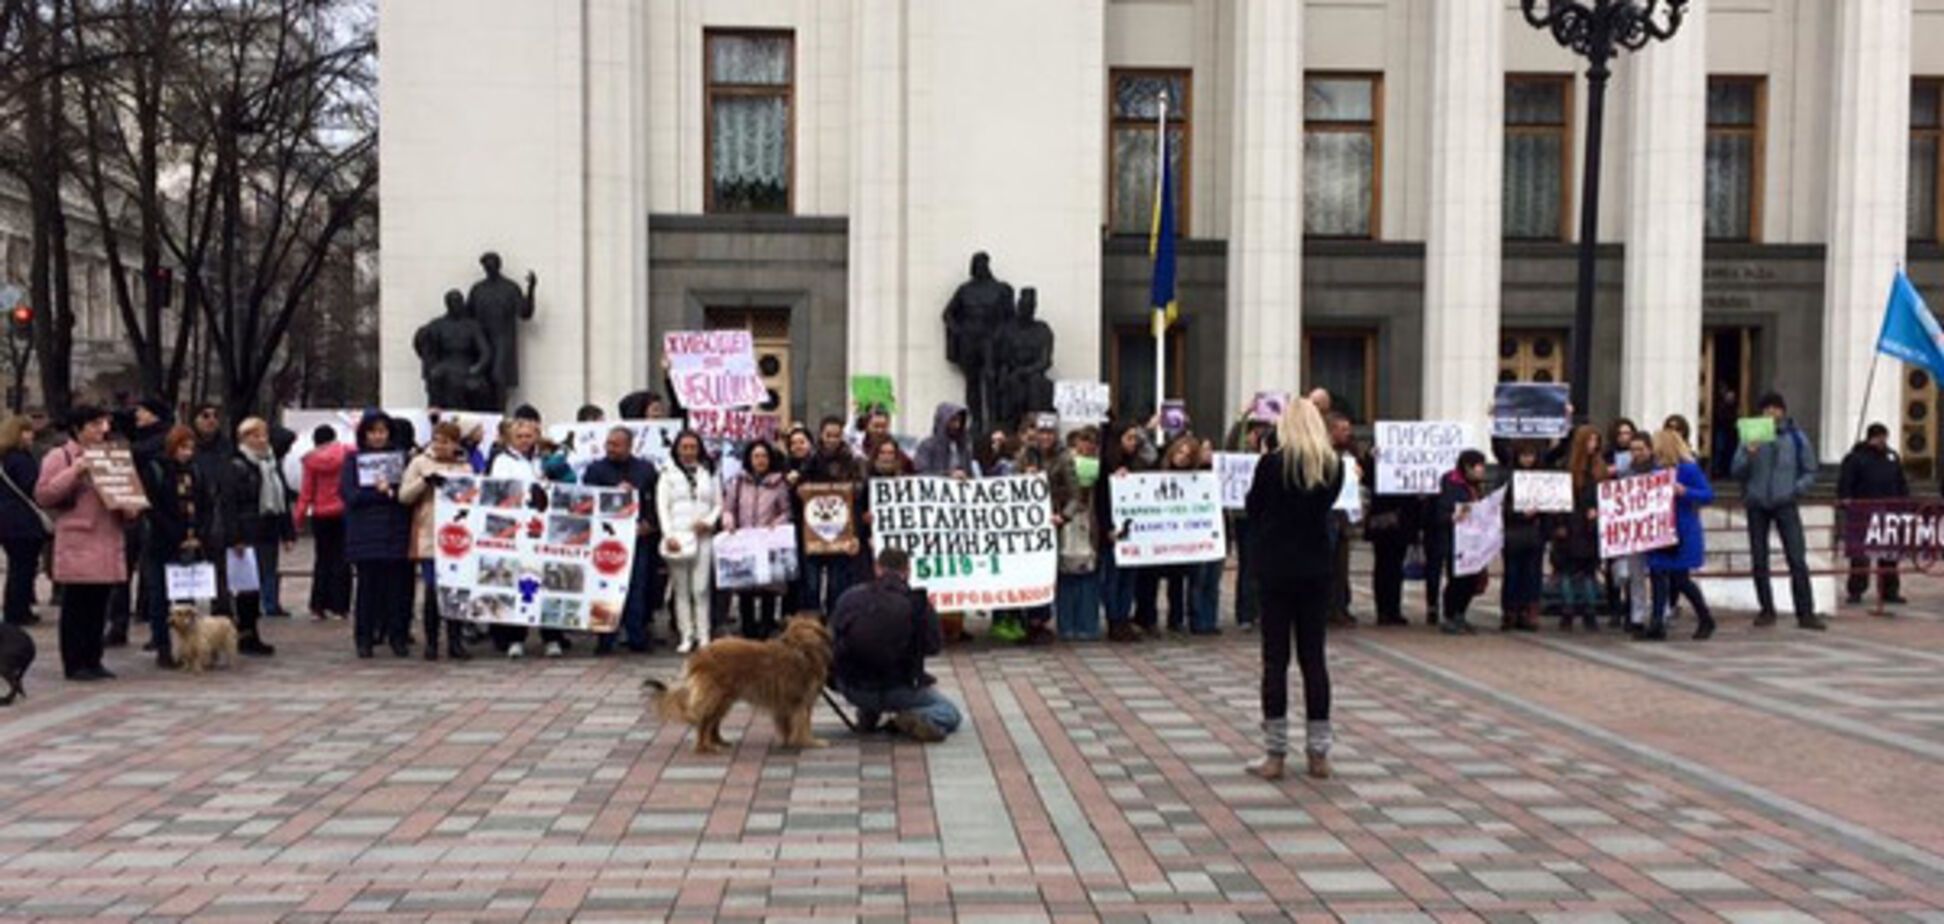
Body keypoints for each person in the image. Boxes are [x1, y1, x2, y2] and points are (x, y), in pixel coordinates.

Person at [1243, 397, 1344, 781]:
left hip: (1276, 568)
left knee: (1275, 660)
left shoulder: (1272, 464)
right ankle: (1319, 753)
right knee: (1313, 660)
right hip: (1316, 567)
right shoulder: (1332, 466)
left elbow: (1254, 508)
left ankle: (1276, 753)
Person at [36, 406, 141, 681]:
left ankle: (94, 659)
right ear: (78, 428)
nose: (102, 430)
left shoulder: (112, 456)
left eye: (104, 424)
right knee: (76, 605)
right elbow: (44, 494)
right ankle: (75, 662)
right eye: (95, 425)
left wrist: (130, 505)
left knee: (99, 604)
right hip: (79, 539)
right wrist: (75, 470)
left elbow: (128, 493)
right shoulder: (60, 456)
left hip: (108, 538)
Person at [830, 547, 961, 742]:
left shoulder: (850, 597)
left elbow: (833, 638)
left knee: (867, 655)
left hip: (852, 687)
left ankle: (869, 712)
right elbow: (933, 646)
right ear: (907, 571)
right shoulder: (918, 603)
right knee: (949, 713)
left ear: (877, 568)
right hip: (898, 690)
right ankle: (912, 718)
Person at [1731, 392, 1825, 630]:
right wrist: (1749, 454)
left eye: (1775, 408)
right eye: (1766, 409)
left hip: (1785, 502)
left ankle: (1805, 612)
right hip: (1757, 503)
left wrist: (1796, 489)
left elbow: (1810, 469)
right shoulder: (1751, 436)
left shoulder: (1795, 437)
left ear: (1783, 411)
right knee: (1759, 560)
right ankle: (1766, 609)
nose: (1771, 413)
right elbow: (1736, 470)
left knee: (1797, 558)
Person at [487, 417, 570, 657]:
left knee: (550, 580)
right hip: (517, 528)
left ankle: (552, 637)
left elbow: (566, 483)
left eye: (528, 436)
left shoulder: (544, 460)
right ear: (510, 439)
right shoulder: (502, 461)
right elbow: (501, 490)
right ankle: (515, 637)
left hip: (545, 527)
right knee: (519, 581)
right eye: (519, 437)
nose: (524, 441)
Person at [583, 425, 663, 653]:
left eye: (616, 445)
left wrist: (650, 523)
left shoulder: (645, 469)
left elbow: (656, 500)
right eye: (608, 444)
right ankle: (605, 638)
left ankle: (637, 636)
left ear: (629, 446)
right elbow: (586, 501)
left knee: (637, 587)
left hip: (637, 538)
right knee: (604, 588)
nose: (611, 449)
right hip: (606, 540)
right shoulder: (595, 470)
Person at [400, 421, 475, 661]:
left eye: (446, 441)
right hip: (430, 534)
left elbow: (474, 497)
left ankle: (455, 640)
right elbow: (404, 496)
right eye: (437, 440)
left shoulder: (464, 466)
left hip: (458, 537)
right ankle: (432, 642)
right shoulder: (420, 463)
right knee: (432, 590)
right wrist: (425, 482)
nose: (440, 446)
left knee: (456, 590)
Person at [343, 411, 416, 659]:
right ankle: (364, 638)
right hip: (365, 534)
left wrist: (392, 494)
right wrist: (381, 494)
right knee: (367, 590)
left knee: (398, 590)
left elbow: (407, 494)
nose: (378, 436)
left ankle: (398, 636)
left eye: (382, 431)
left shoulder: (401, 460)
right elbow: (350, 495)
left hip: (395, 533)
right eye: (373, 432)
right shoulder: (353, 460)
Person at [139, 426, 212, 668]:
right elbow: (152, 508)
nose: (187, 453)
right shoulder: (157, 469)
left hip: (190, 542)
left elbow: (206, 504)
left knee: (186, 600)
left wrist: (200, 532)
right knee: (160, 598)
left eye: (190, 448)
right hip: (162, 543)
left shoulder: (196, 471)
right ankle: (162, 647)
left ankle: (189, 648)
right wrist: (175, 533)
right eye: (182, 448)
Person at [216, 419, 286, 655]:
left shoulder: (270, 463)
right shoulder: (235, 465)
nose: (261, 440)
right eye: (254, 436)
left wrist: (287, 531)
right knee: (245, 587)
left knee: (261, 581)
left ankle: (251, 632)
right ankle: (245, 633)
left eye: (263, 435)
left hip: (267, 530)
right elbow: (229, 504)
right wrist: (235, 536)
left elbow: (281, 499)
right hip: (245, 532)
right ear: (243, 439)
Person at [1644, 429, 1717, 641]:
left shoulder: (1688, 469)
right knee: (1657, 574)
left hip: (1682, 530)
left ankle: (1705, 617)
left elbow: (1708, 495)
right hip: (1659, 528)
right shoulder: (1655, 471)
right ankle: (1657, 622)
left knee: (1680, 579)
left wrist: (1685, 491)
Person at [791, 417, 864, 617]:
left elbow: (860, 490)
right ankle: (812, 621)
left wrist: (851, 490)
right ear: (821, 435)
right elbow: (797, 489)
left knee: (838, 583)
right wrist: (799, 489)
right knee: (811, 583)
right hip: (813, 530)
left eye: (836, 435)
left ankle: (835, 619)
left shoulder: (852, 460)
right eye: (828, 435)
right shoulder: (810, 459)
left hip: (842, 529)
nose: (832, 439)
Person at [657, 429, 721, 653]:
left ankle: (704, 634)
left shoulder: (709, 471)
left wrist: (709, 521)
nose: (688, 452)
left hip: (702, 536)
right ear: (676, 449)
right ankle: (686, 635)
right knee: (681, 589)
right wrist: (668, 535)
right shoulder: (667, 473)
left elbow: (718, 504)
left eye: (693, 447)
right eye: (684, 447)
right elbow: (662, 507)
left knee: (701, 588)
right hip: (678, 536)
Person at [722, 440, 793, 640]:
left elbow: (786, 511)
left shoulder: (779, 483)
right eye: (756, 456)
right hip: (744, 540)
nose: (760, 460)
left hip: (768, 541)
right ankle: (748, 628)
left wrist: (777, 523)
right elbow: (728, 508)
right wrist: (729, 521)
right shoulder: (738, 482)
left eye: (764, 456)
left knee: (768, 587)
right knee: (745, 588)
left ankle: (766, 627)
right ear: (749, 459)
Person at [1136, 435, 1202, 636]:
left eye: (1187, 456)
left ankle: (1176, 619)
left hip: (1178, 536)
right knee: (1150, 578)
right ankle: (1147, 618)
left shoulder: (1194, 479)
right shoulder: (1156, 470)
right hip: (1155, 534)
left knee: (1177, 579)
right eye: (1180, 452)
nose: (1182, 458)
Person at [1837, 422, 1908, 606]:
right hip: (1862, 511)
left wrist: (1903, 502)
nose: (1883, 441)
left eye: (1885, 437)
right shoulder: (1855, 458)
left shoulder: (1892, 457)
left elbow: (1901, 482)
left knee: (1889, 554)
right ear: (1872, 438)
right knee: (1860, 555)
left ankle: (1889, 591)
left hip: (1889, 511)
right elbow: (1846, 482)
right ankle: (1856, 590)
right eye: (1880, 437)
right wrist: (1845, 499)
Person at [1098, 421, 1153, 642]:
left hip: (1134, 530)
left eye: (1135, 439)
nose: (1133, 443)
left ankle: (1124, 617)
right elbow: (1101, 501)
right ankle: (1114, 619)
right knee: (1113, 576)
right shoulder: (1106, 465)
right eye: (1129, 438)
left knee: (1129, 577)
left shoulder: (1137, 463)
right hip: (1114, 528)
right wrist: (1107, 529)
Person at [294, 424, 352, 620]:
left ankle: (319, 605)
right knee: (342, 559)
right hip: (344, 512)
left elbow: (306, 491)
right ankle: (340, 606)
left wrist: (298, 519)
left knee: (323, 560)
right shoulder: (347, 453)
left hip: (321, 514)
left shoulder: (311, 460)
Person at [1556, 425, 1606, 631]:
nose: (1593, 445)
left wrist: (1599, 511)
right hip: (1571, 524)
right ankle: (1568, 610)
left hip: (1590, 527)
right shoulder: (1568, 469)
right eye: (1590, 440)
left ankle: (1590, 610)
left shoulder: (1599, 468)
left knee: (1588, 571)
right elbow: (1560, 499)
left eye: (1596, 441)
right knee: (1568, 571)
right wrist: (1560, 524)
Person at [1055, 426, 1102, 640]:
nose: (1087, 447)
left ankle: (1088, 624)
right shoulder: (1064, 462)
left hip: (1089, 520)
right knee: (1066, 573)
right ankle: (1066, 624)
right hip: (1068, 518)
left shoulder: (1101, 465)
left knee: (1088, 574)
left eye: (1091, 443)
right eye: (1083, 442)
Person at [0, 414, 47, 628]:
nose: (31, 435)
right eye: (27, 431)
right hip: (24, 521)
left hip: (6, 520)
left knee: (17, 566)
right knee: (23, 567)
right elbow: (33, 487)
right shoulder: (21, 459)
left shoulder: (4, 459)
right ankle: (18, 611)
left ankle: (15, 609)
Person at [1435, 450, 1488, 635]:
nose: (1482, 470)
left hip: (1473, 541)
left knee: (1471, 580)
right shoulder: (1451, 484)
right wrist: (1454, 516)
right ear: (1467, 467)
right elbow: (1442, 512)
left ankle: (1460, 614)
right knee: (1457, 580)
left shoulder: (1476, 487)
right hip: (1454, 540)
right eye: (1478, 466)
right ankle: (1449, 615)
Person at [1498, 442, 1547, 632]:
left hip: (1534, 533)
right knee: (1513, 573)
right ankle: (1511, 611)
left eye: (1531, 455)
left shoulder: (1541, 478)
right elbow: (1500, 505)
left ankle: (1528, 611)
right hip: (1514, 532)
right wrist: (1519, 513)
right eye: (1524, 456)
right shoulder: (1508, 477)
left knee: (1532, 574)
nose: (1528, 460)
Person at [914, 402, 975, 477]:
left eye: (960, 421)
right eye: (953, 420)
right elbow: (922, 473)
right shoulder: (927, 446)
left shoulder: (964, 447)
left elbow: (970, 474)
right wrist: (948, 475)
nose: (957, 425)